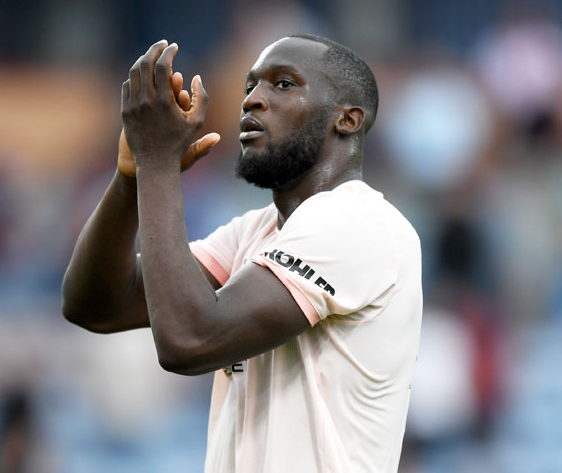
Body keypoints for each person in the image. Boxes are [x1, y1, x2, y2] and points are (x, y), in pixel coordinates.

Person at [62, 34, 422, 473]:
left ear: (346, 119)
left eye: (284, 84)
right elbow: (96, 306)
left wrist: (158, 163)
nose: (253, 100)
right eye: (251, 86)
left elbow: (188, 342)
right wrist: (131, 176)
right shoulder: (258, 231)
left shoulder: (359, 223)